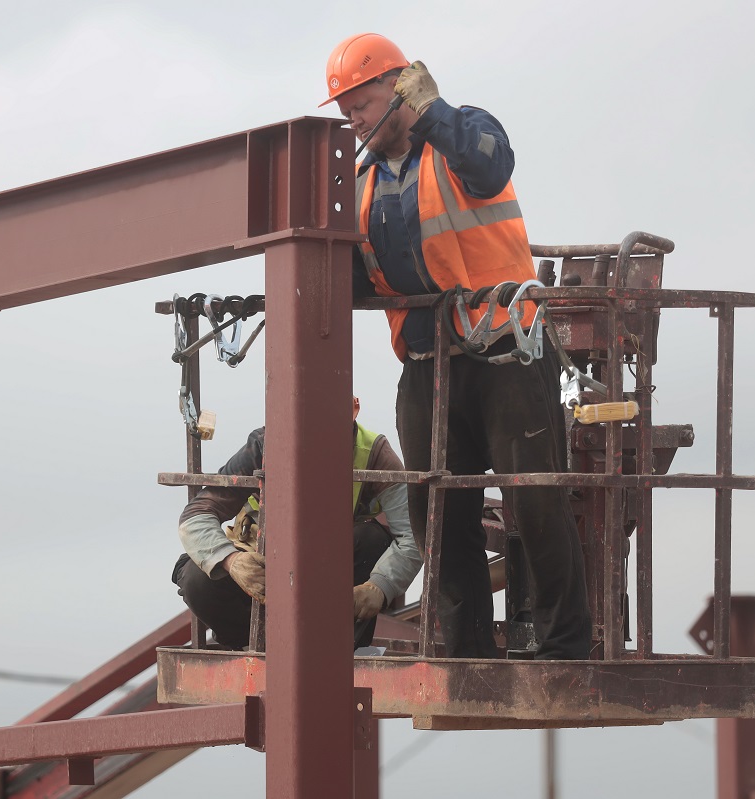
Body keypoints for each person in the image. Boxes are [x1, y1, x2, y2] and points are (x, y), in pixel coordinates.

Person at [321, 33, 592, 660]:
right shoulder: (360, 185)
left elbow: (493, 164)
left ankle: (566, 645)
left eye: (359, 104)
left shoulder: (462, 135)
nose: (352, 120)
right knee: (437, 505)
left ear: (396, 87)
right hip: (427, 359)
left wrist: (433, 114)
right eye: (344, 111)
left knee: (534, 494)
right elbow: (362, 276)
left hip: (505, 350)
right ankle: (464, 645)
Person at [171, 397, 421, 650]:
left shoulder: (374, 454)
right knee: (196, 578)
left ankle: (337, 647)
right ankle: (252, 645)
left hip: (327, 570)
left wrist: (379, 586)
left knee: (372, 541)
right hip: (264, 563)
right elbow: (196, 516)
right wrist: (231, 560)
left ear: (354, 408)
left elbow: (413, 535)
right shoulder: (264, 446)